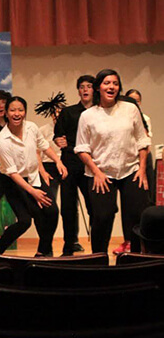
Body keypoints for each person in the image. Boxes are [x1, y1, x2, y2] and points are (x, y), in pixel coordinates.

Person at [75, 69, 151, 254]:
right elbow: (82, 148)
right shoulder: (88, 115)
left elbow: (142, 140)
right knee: (103, 215)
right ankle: (98, 258)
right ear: (98, 88)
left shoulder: (130, 109)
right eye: (107, 83)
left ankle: (134, 257)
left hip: (131, 169)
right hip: (100, 171)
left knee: (137, 215)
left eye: (115, 83)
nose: (111, 87)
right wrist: (96, 172)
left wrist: (142, 169)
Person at [0, 96, 67, 256]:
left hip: (34, 176)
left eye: (20, 110)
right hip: (14, 182)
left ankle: (43, 251)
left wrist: (57, 161)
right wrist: (33, 192)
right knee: (25, 221)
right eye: (12, 110)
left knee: (51, 211)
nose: (17, 113)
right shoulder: (2, 140)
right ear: (6, 113)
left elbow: (45, 146)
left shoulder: (31, 128)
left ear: (25, 112)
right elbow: (13, 173)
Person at [53, 75, 95, 255]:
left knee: (94, 206)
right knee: (68, 207)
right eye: (82, 87)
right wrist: (58, 140)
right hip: (70, 162)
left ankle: (98, 246)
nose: (85, 90)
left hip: (92, 164)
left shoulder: (100, 112)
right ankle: (69, 245)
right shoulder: (68, 112)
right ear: (78, 90)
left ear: (95, 90)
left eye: (89, 86)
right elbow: (57, 135)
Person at [125, 88, 155, 234]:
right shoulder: (122, 118)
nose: (134, 103)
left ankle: (147, 235)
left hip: (143, 158)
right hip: (129, 160)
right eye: (131, 100)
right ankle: (128, 238)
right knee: (128, 202)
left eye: (136, 101)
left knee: (147, 197)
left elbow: (146, 141)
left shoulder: (145, 118)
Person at [35, 93, 67, 198]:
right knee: (50, 197)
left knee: (69, 200)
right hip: (48, 166)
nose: (57, 115)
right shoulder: (43, 130)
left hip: (66, 164)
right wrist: (42, 171)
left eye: (60, 112)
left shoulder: (70, 129)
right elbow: (37, 153)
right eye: (54, 112)